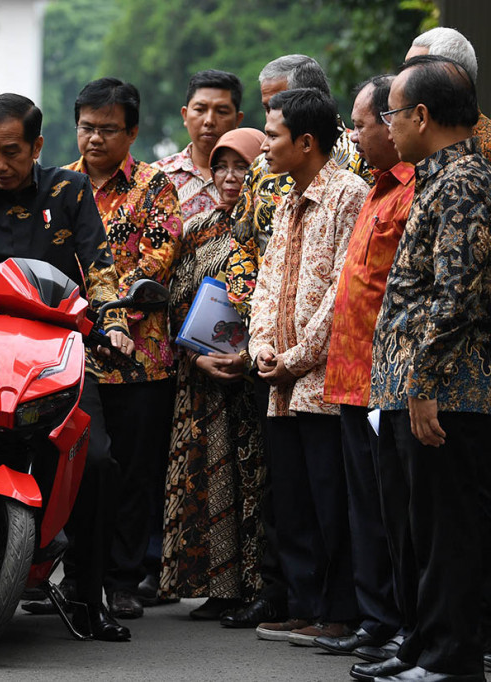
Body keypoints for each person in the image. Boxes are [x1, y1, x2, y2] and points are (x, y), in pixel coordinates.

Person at [0, 92, 134, 642]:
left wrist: (113, 321)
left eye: (12, 153)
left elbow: (99, 267)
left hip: (61, 353)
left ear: (37, 146)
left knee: (95, 462)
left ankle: (88, 595)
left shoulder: (70, 191)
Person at [220, 54, 370, 631]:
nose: (265, 146)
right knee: (294, 502)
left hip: (323, 383)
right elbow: (267, 282)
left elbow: (342, 293)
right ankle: (305, 608)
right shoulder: (283, 198)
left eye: (274, 135)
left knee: (332, 502)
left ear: (306, 142)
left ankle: (337, 613)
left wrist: (293, 360)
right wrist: (262, 348)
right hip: (279, 382)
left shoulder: (348, 194)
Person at [353, 55, 491, 682]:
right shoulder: (438, 177)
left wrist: (426, 381)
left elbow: (456, 293)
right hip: (425, 385)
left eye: (393, 113)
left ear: (423, 116)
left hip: (450, 388)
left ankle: (450, 658)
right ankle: (424, 643)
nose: (389, 124)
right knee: (423, 528)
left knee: (449, 531)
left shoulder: (464, 180)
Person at [65, 77, 182, 620]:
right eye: (87, 127)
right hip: (73, 357)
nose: (95, 139)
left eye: (108, 129)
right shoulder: (59, 187)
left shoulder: (155, 187)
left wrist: (100, 303)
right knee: (84, 468)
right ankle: (77, 578)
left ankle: (123, 580)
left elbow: (158, 256)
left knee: (135, 473)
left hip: (141, 360)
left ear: (132, 132)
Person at [316, 76, 413, 663]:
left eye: (361, 123)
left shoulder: (412, 190)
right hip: (351, 376)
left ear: (391, 123)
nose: (353, 134)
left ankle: (405, 626)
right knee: (364, 510)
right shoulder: (376, 189)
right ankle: (376, 621)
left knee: (394, 513)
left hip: (389, 378)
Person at [161, 127, 266, 621]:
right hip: (199, 374)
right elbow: (172, 300)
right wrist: (197, 355)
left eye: (241, 167)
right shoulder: (198, 227)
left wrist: (245, 357)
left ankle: (255, 587)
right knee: (207, 477)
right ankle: (217, 587)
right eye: (221, 166)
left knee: (250, 479)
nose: (228, 177)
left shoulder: (267, 227)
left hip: (252, 379)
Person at [151, 70, 243, 226]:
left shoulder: (256, 178)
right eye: (200, 110)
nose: (209, 121)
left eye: (221, 112)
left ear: (237, 120)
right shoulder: (156, 178)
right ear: (185, 115)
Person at [405, 27, 491, 158]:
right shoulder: (411, 142)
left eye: (413, 72)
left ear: (447, 78)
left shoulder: (485, 149)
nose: (402, 80)